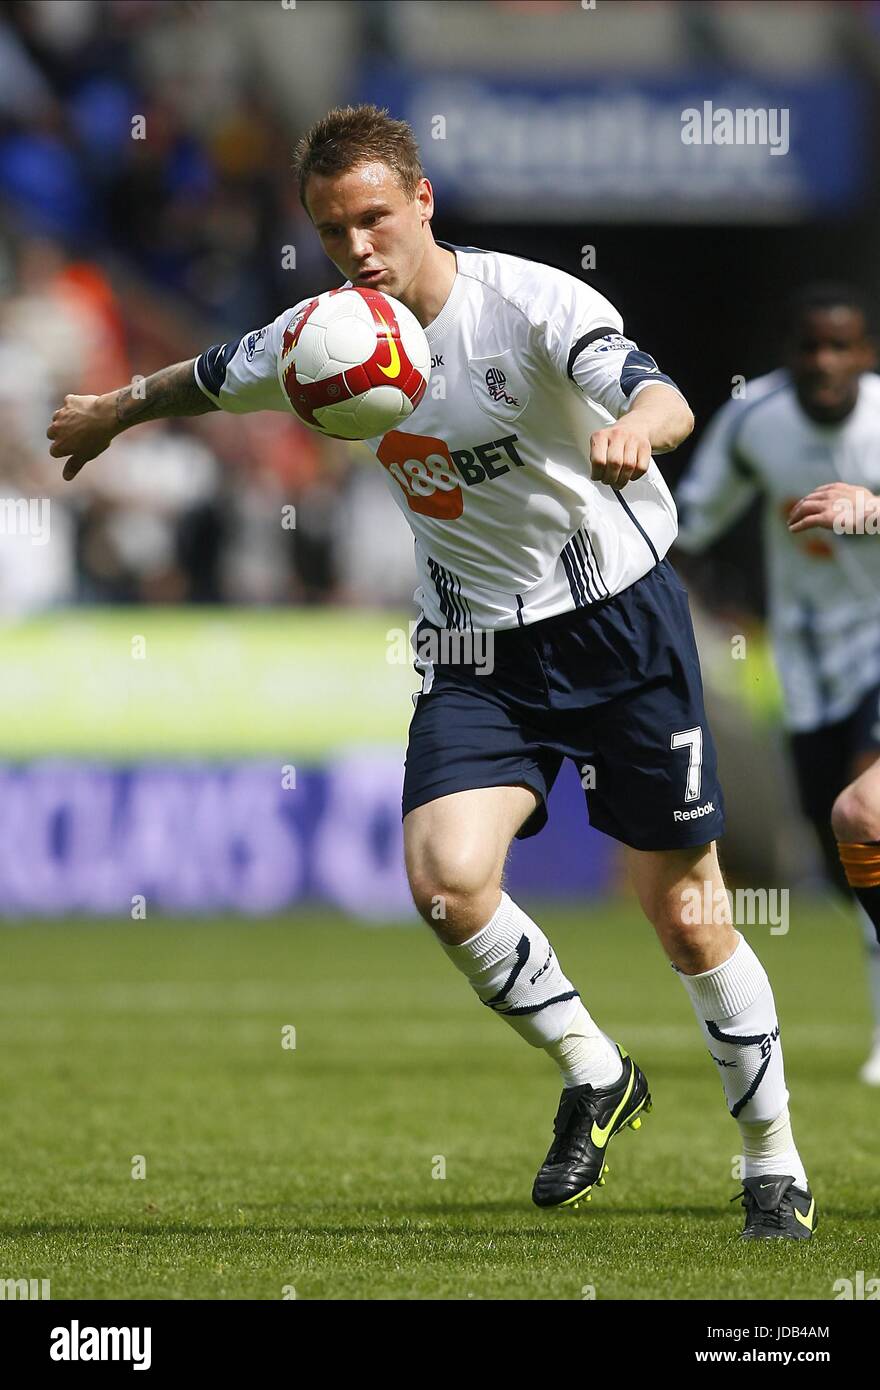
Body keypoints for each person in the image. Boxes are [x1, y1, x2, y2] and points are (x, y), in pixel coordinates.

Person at [47, 104, 815, 1238]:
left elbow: (663, 395)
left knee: (688, 917)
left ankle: (771, 1163)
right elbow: (207, 377)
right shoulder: (322, 341)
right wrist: (115, 410)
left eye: (373, 218)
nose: (358, 248)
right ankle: (597, 1073)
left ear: (421, 203)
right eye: (331, 229)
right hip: (474, 646)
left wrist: (634, 433)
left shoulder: (536, 303)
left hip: (619, 621)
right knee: (446, 880)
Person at [676, 284, 880, 1086]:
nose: (825, 363)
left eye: (842, 347)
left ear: (865, 355)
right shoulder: (756, 421)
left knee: (863, 813)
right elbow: (689, 523)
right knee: (839, 858)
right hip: (803, 670)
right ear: (790, 352)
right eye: (811, 347)